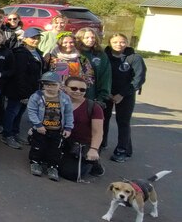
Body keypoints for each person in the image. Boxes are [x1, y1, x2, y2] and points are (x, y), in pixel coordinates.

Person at [104, 33, 146, 163]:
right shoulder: (105, 56)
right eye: (115, 42)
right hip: (107, 93)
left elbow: (138, 79)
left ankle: (123, 149)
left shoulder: (135, 58)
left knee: (123, 122)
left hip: (125, 95)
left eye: (122, 42)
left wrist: (122, 94)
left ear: (127, 42)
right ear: (110, 42)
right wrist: (107, 92)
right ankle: (101, 142)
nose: (118, 44)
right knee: (103, 119)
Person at [1, 27, 45, 150]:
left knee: (20, 113)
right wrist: (23, 93)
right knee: (12, 111)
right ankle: (7, 134)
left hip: (31, 90)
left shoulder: (38, 53)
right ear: (25, 39)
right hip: (18, 90)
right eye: (33, 38)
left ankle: (15, 132)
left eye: (37, 38)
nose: (35, 40)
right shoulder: (21, 54)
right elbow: (19, 75)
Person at [26, 72, 74, 181]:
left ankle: (52, 166)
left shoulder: (65, 98)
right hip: (41, 129)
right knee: (37, 146)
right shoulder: (37, 96)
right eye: (47, 84)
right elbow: (32, 111)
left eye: (53, 85)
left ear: (60, 85)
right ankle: (35, 162)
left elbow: (68, 113)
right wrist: (37, 125)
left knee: (55, 150)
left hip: (57, 129)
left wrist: (68, 127)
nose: (50, 87)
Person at [58, 75, 105, 181]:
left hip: (82, 144)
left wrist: (93, 149)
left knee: (70, 174)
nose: (78, 91)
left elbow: (98, 132)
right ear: (65, 87)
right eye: (74, 88)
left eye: (82, 89)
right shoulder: (57, 101)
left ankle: (94, 162)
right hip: (62, 139)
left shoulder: (94, 107)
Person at [74, 27, 112, 107]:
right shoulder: (73, 53)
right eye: (87, 37)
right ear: (79, 39)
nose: (91, 40)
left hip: (92, 94)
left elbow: (105, 76)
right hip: (74, 93)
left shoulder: (101, 55)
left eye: (93, 37)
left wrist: (102, 96)